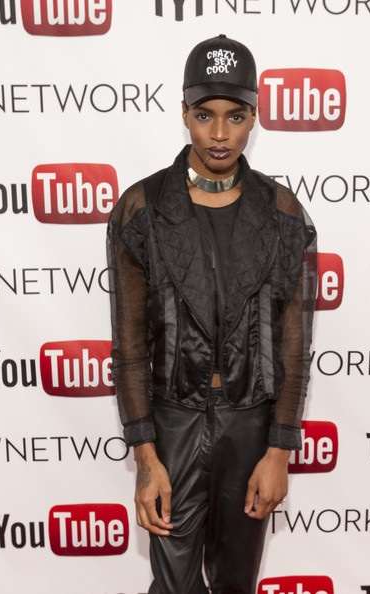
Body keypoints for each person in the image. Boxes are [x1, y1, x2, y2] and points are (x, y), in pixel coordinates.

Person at [107, 34, 317, 594]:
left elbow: (295, 347)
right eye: (204, 115)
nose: (219, 134)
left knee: (236, 585)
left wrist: (279, 449)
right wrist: (146, 456)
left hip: (251, 425)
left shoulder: (282, 214)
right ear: (184, 114)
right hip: (173, 421)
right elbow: (127, 348)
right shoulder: (142, 209)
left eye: (234, 116)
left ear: (254, 118)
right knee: (173, 586)